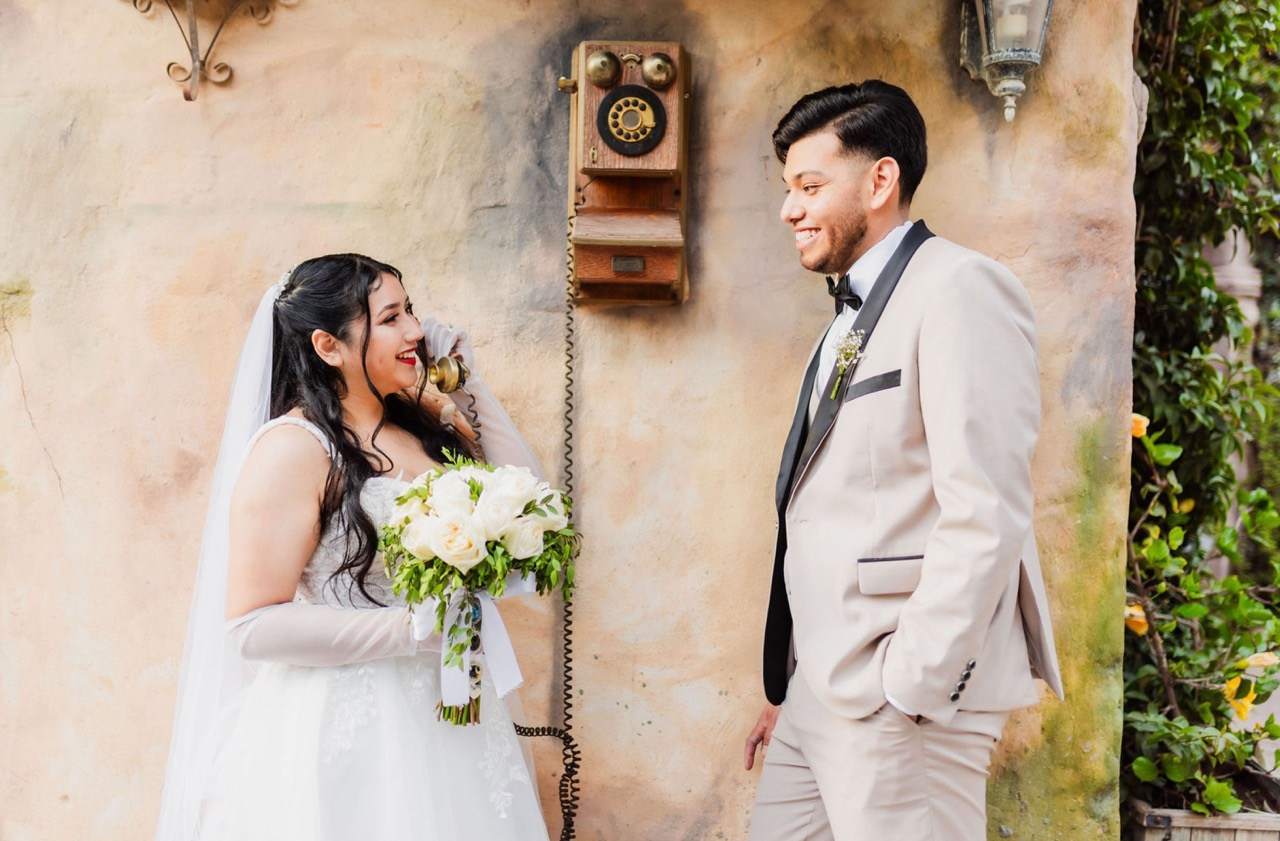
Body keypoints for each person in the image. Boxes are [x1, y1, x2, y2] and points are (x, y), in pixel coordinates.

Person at [743, 81, 1064, 839]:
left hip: (899, 695)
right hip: (819, 687)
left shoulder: (960, 288)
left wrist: (912, 683)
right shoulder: (845, 316)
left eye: (809, 186)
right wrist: (797, 680)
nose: (789, 209)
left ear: (880, 180)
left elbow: (986, 507)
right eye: (788, 188)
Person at [155, 254, 550, 840]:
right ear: (329, 345)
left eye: (410, 311)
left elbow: (530, 503)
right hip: (354, 723)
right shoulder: (295, 448)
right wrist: (411, 630)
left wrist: (468, 380)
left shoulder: (421, 427)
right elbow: (251, 625)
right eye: (390, 318)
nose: (415, 331)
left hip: (454, 714)